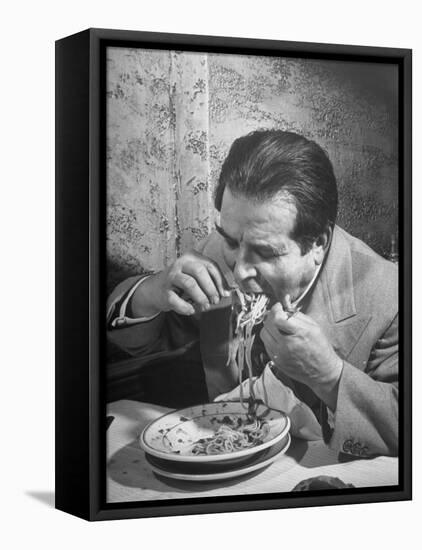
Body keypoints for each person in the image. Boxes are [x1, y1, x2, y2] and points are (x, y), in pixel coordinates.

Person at [107, 129, 398, 458]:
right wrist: (153, 291)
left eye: (266, 252)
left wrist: (330, 377)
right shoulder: (218, 252)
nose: (240, 269)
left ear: (318, 243)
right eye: (231, 241)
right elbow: (151, 340)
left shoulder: (392, 296)